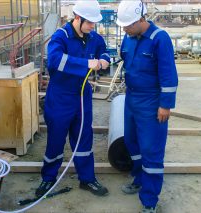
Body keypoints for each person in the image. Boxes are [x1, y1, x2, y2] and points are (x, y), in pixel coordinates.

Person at [35, 0, 110, 197]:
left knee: (84, 138)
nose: (93, 27)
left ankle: (87, 179)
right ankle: (48, 178)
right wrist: (87, 63)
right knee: (56, 139)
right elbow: (55, 60)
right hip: (60, 97)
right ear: (77, 18)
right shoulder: (61, 36)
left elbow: (104, 50)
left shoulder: (93, 37)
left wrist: (103, 60)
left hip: (83, 96)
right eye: (90, 23)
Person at [116, 1, 178, 212]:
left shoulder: (160, 39)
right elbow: (124, 58)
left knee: (151, 151)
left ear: (141, 20)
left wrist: (165, 105)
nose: (124, 29)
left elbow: (168, 73)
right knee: (132, 143)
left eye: (128, 26)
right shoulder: (129, 36)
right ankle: (139, 178)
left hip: (152, 103)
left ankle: (150, 201)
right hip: (132, 99)